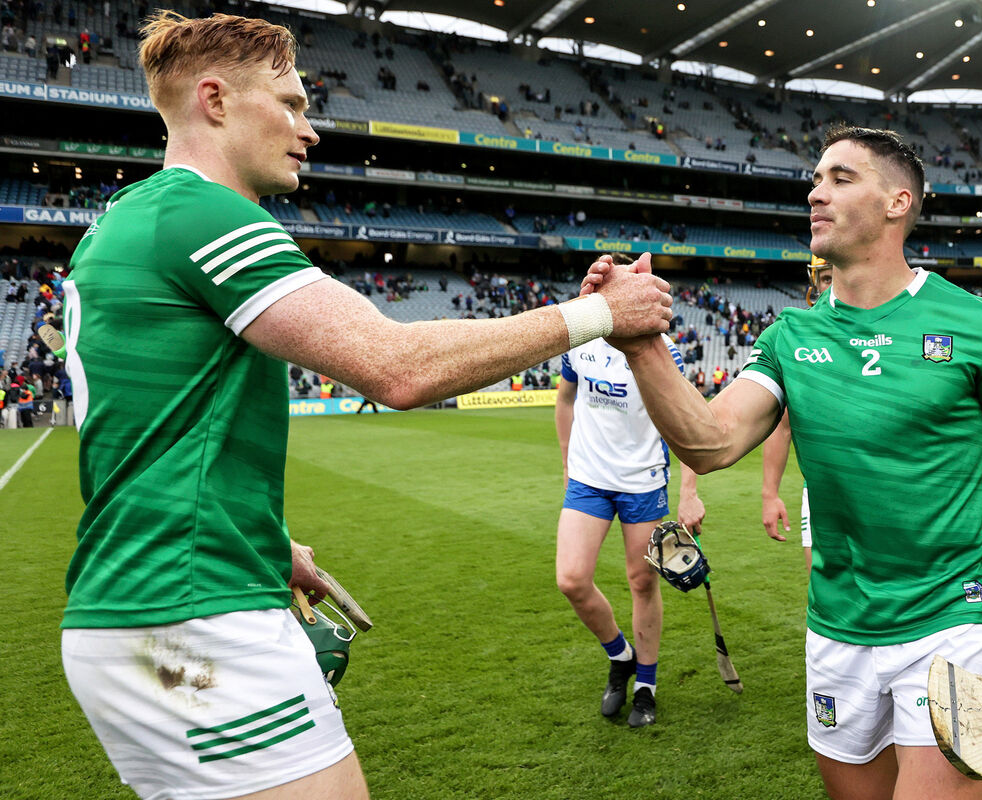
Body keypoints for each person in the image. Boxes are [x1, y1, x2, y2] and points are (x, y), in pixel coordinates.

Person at [58, 12, 671, 799]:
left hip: (137, 610)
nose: (309, 130)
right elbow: (397, 368)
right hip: (196, 620)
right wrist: (598, 317)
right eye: (291, 102)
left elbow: (146, 434)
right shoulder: (200, 213)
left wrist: (267, 544)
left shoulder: (119, 223)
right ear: (214, 99)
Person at [584, 124, 982, 800]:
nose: (816, 193)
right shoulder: (791, 335)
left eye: (840, 178)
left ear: (898, 201)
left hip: (952, 615)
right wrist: (642, 346)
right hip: (838, 622)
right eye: (815, 180)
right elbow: (710, 442)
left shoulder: (976, 325)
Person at [555, 289, 705, 728]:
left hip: (642, 482)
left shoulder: (663, 352)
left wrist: (689, 491)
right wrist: (567, 464)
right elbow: (565, 399)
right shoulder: (579, 343)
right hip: (588, 481)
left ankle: (646, 685)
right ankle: (620, 655)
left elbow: (686, 422)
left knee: (642, 582)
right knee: (571, 579)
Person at [761, 258, 833, 575]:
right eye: (827, 278)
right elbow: (782, 427)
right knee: (821, 590)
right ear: (815, 282)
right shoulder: (798, 338)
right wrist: (770, 494)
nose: (834, 286)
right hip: (819, 493)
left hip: (885, 493)